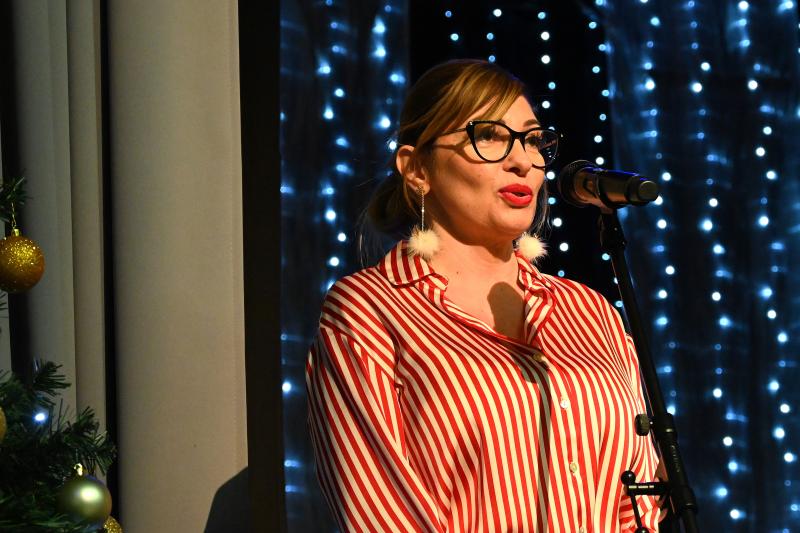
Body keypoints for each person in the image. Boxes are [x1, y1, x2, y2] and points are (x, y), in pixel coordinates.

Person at [306, 59, 662, 532]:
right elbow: (381, 514)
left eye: (533, 140)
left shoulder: (590, 311)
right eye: (489, 136)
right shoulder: (369, 310)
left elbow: (638, 500)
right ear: (417, 168)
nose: (523, 161)